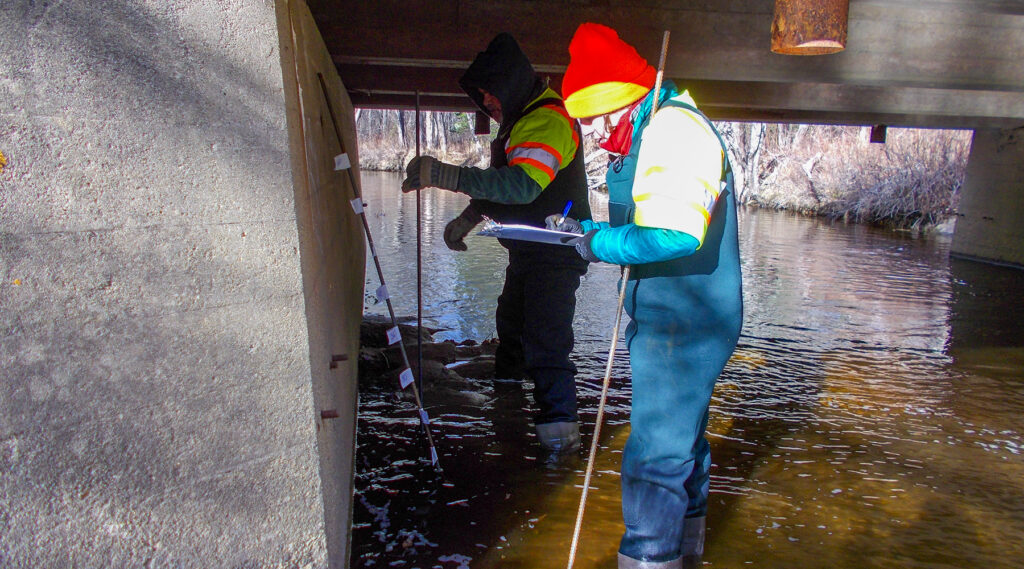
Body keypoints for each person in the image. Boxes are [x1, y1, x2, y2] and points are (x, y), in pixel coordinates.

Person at [549, 23, 743, 569]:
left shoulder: (673, 130)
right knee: (684, 443)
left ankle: (649, 556)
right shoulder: (652, 125)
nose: (593, 130)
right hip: (681, 313)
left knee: (655, 454)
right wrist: (590, 236)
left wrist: (596, 243)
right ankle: (688, 552)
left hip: (686, 319)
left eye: (596, 117)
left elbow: (675, 233)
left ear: (619, 99)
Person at [401, 32, 591, 454]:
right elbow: (503, 191)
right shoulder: (521, 123)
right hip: (529, 251)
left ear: (510, 84)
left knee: (546, 343)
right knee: (511, 330)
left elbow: (523, 186)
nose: (486, 102)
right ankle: (505, 412)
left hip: (556, 253)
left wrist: (446, 175)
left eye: (490, 92)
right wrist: (468, 219)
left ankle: (559, 447)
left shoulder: (549, 119)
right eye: (482, 95)